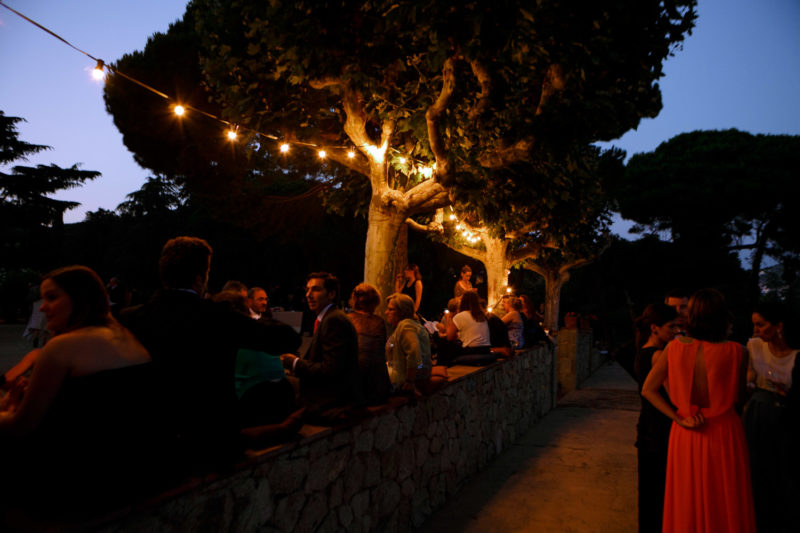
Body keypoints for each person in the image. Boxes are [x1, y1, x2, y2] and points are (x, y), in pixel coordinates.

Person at [121, 237, 301, 471]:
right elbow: (288, 338)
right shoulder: (217, 317)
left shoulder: (130, 318)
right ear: (200, 278)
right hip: (211, 446)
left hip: (151, 447)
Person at [0, 266, 158, 512]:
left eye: (52, 297)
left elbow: (22, 426)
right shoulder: (123, 335)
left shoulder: (63, 346)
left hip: (79, 486)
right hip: (135, 473)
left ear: (79, 299)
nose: (42, 307)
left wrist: (8, 409)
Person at [642, 289, 755, 533]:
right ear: (723, 317)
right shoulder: (738, 351)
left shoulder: (674, 348)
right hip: (725, 433)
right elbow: (738, 398)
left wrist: (679, 418)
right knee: (724, 498)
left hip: (686, 431)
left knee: (687, 497)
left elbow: (648, 390)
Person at [742, 301, 799, 533]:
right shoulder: (754, 346)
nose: (756, 330)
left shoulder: (797, 353)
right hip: (759, 411)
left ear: (779, 325)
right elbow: (748, 377)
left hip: (787, 415)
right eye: (754, 324)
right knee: (757, 470)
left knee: (784, 473)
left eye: (761, 325)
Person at [281, 272, 363, 420]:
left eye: (316, 289)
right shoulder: (327, 317)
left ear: (331, 294)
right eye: (307, 289)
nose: (308, 295)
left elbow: (331, 369)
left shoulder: (334, 320)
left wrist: (294, 363)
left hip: (332, 400)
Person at [633, 303, 679, 533]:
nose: (675, 332)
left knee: (649, 491)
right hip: (660, 429)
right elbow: (675, 395)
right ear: (654, 328)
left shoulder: (642, 350)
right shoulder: (659, 355)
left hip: (647, 426)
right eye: (671, 327)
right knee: (659, 491)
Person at [347, 283, 391, 405]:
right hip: (379, 389)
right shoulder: (379, 323)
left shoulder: (347, 320)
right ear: (376, 301)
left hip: (355, 390)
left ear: (354, 300)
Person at [384, 293, 432, 396]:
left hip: (405, 379)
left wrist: (409, 382)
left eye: (390, 309)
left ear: (402, 311)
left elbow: (414, 354)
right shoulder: (411, 324)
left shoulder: (406, 325)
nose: (386, 312)